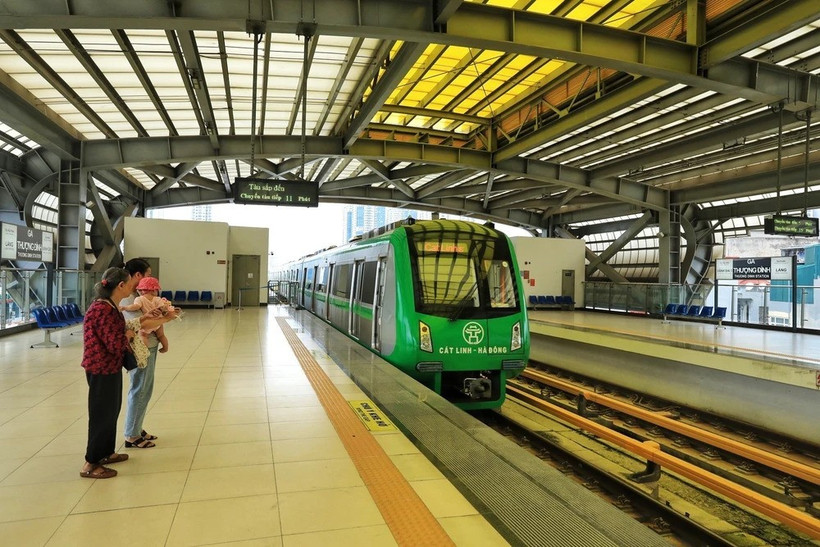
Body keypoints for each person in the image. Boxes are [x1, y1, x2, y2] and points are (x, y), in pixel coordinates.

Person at [120, 258, 173, 449]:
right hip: (140, 347)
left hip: (150, 345)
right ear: (137, 275)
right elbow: (143, 324)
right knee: (140, 389)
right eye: (148, 275)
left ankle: (137, 425)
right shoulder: (129, 298)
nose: (149, 281)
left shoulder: (139, 296)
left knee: (145, 388)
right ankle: (132, 434)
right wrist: (168, 318)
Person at [119, 276, 172, 352]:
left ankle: (145, 351)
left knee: (143, 335)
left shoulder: (140, 299)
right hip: (158, 322)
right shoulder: (157, 299)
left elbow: (136, 306)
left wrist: (125, 308)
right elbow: (163, 308)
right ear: (154, 290)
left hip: (148, 321)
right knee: (161, 335)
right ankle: (165, 348)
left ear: (142, 290)